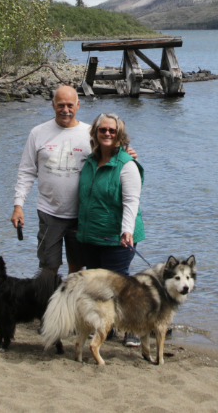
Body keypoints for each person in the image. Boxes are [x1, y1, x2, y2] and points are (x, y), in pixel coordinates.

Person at [10, 86, 136, 278]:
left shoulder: (91, 134)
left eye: (70, 105)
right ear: (53, 105)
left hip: (82, 216)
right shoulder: (37, 133)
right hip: (49, 212)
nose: (65, 109)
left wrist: (127, 154)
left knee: (77, 269)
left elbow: (111, 152)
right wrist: (18, 205)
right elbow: (26, 171)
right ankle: (47, 304)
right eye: (60, 105)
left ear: (78, 105)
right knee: (48, 268)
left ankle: (71, 306)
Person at [75, 111, 145, 347]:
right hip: (91, 234)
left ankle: (134, 329)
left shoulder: (127, 164)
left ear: (119, 136)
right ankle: (109, 327)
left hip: (117, 237)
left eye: (112, 130)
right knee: (99, 287)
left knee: (120, 285)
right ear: (95, 133)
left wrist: (126, 231)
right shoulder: (90, 161)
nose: (107, 133)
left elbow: (131, 202)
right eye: (102, 129)